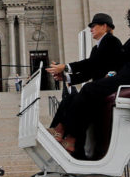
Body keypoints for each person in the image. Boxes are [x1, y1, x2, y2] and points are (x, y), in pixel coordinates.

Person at [51, 0, 130, 157]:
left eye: (93, 26)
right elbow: (100, 66)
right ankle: (66, 133)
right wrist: (69, 78)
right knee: (80, 94)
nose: (90, 29)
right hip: (127, 76)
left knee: (89, 89)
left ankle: (69, 135)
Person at [46, 12, 124, 148]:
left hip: (108, 87)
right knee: (70, 98)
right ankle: (59, 131)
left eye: (94, 26)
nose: (91, 29)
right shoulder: (96, 48)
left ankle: (66, 135)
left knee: (80, 98)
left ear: (104, 26)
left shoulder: (112, 42)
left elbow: (91, 63)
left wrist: (65, 67)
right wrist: (65, 76)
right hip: (97, 87)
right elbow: (89, 72)